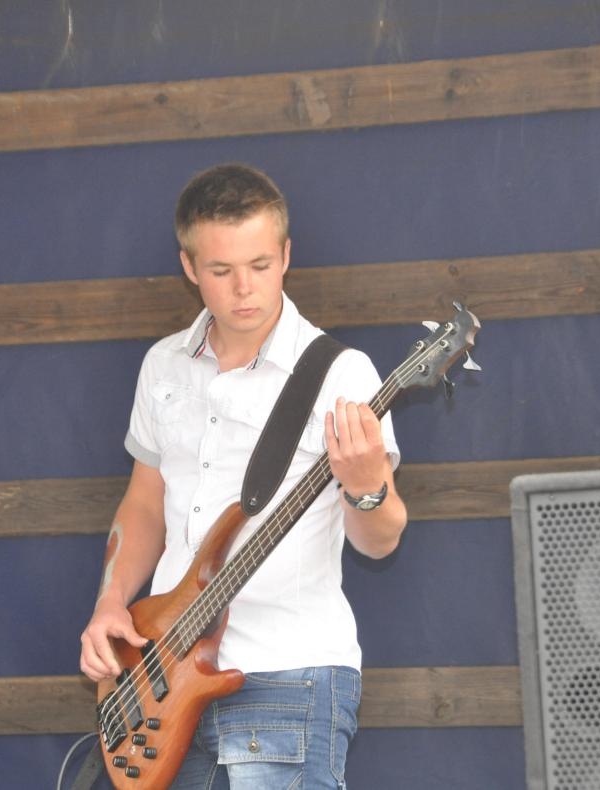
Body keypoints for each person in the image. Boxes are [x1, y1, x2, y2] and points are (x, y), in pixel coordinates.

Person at [79, 162, 407, 789]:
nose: (244, 289)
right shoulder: (163, 365)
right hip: (160, 677)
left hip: (288, 673)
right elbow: (144, 503)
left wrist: (367, 486)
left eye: (260, 265)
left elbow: (380, 541)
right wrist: (109, 604)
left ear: (286, 256)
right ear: (188, 267)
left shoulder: (341, 374)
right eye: (221, 270)